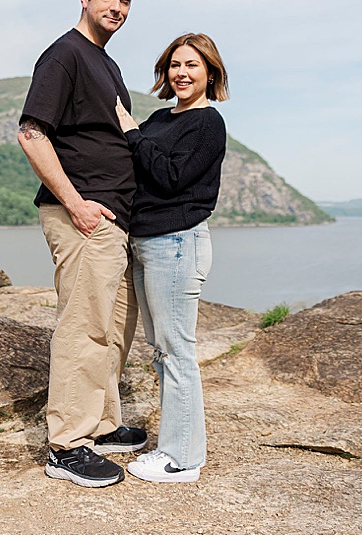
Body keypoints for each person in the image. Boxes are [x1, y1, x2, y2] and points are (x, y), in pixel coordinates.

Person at [15, 0, 148, 489]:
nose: (117, 7)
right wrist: (75, 203)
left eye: (126, 0)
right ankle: (66, 444)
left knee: (115, 328)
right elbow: (30, 133)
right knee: (84, 327)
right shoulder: (64, 56)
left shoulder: (107, 63)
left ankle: (100, 423)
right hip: (84, 216)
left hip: (115, 218)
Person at [111, 33, 229, 483]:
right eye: (175, 65)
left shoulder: (207, 123)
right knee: (161, 351)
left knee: (177, 351)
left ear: (210, 73)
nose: (182, 73)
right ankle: (177, 446)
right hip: (146, 242)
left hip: (177, 243)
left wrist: (132, 132)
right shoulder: (162, 117)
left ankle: (182, 457)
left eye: (192, 66)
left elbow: (169, 175)